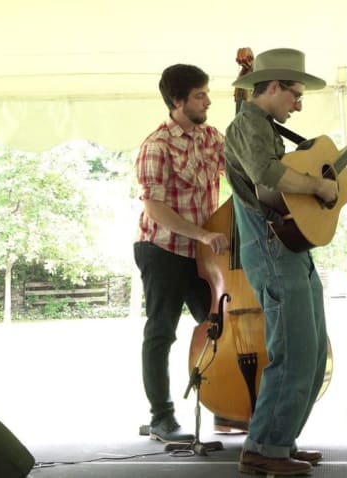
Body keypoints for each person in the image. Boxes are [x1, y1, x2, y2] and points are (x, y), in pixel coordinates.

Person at [223, 48, 347, 476]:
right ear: (272, 87)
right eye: (294, 93)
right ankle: (263, 449)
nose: (298, 102)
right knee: (293, 352)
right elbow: (269, 176)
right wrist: (318, 187)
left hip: (290, 249)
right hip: (271, 248)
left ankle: (280, 440)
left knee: (310, 353)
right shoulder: (247, 125)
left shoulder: (265, 126)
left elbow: (294, 185)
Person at [133, 64, 228, 443]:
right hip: (162, 249)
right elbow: (155, 209)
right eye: (200, 95)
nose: (208, 100)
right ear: (178, 101)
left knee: (219, 328)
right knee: (162, 333)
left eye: (207, 93)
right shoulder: (156, 145)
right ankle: (161, 418)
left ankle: (226, 405)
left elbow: (243, 172)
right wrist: (203, 235)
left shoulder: (211, 137)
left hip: (203, 253)